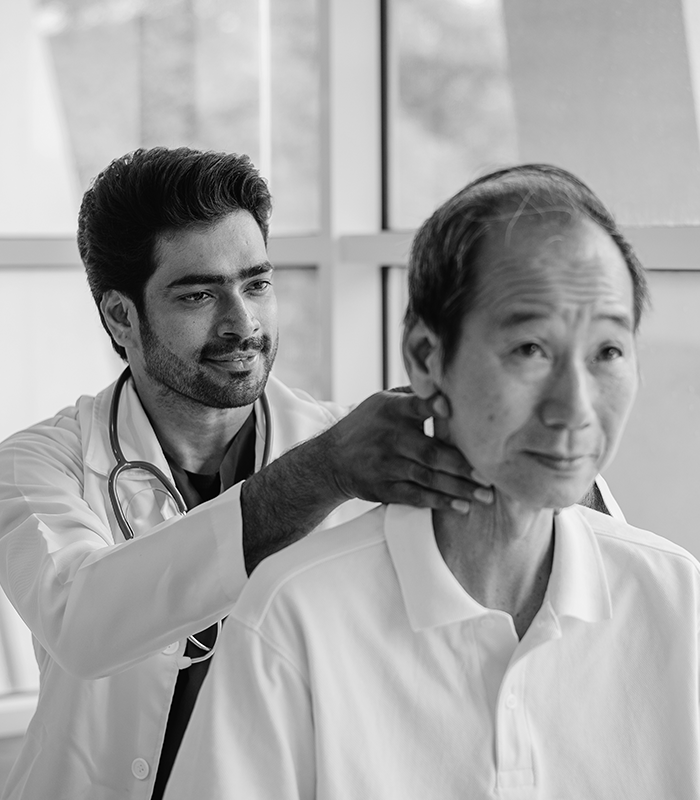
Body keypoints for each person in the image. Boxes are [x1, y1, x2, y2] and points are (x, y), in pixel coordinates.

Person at [166, 164, 700, 800]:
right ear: (425, 358)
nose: (575, 408)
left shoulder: (676, 600)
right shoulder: (296, 616)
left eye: (607, 352)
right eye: (530, 348)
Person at [0, 147, 494, 800]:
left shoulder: (357, 456)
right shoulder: (37, 464)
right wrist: (323, 474)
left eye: (256, 283)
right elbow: (84, 624)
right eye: (200, 293)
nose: (244, 323)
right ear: (121, 316)